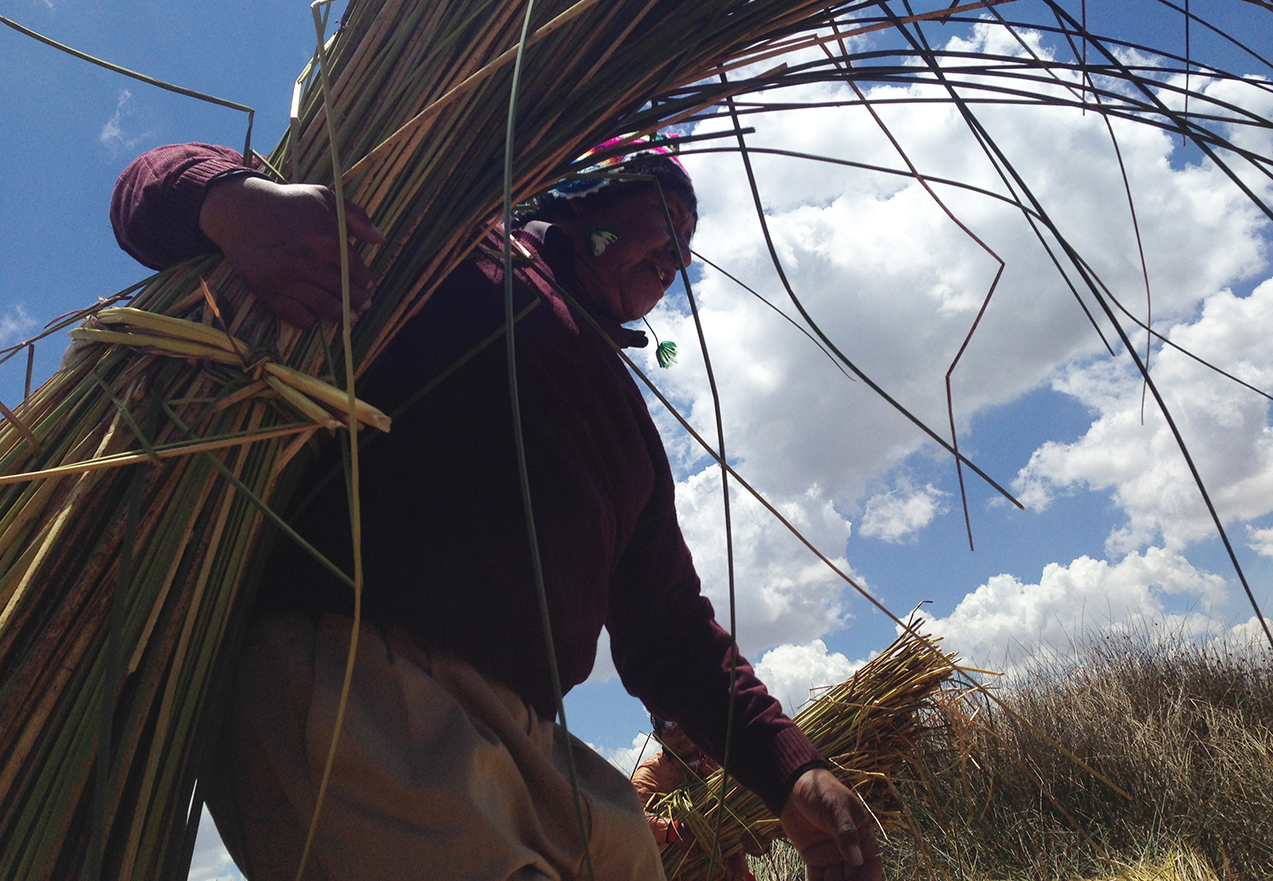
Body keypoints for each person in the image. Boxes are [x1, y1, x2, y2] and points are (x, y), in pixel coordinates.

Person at [110, 141, 881, 881]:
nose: (676, 258)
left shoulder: (625, 420)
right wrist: (231, 202)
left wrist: (792, 772)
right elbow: (146, 185)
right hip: (363, 687)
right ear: (589, 202)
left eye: (687, 248)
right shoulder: (452, 249)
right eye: (667, 224)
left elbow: (671, 628)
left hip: (532, 737)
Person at [631, 715, 765, 881]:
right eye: (671, 729)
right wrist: (671, 830)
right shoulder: (651, 773)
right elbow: (629, 817)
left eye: (683, 724)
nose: (681, 734)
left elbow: (751, 818)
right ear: (658, 737)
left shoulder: (720, 759)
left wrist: (760, 844)